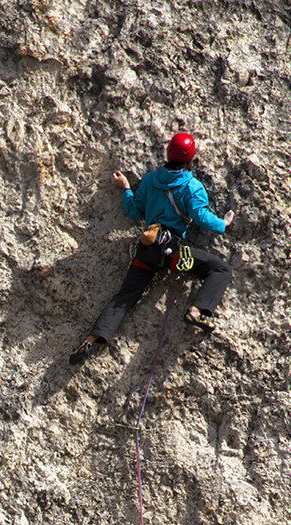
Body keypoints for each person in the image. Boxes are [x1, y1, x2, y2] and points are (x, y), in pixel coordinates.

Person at [69, 132, 234, 365]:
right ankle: (197, 311)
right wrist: (223, 224)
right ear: (191, 159)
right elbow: (200, 216)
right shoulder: (192, 187)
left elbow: (134, 211)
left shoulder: (149, 180)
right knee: (220, 269)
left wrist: (126, 188)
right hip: (172, 252)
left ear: (168, 153)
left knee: (125, 296)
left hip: (147, 248)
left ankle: (90, 340)